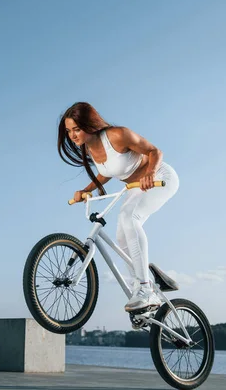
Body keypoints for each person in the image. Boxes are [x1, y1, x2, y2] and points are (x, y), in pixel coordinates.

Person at [57, 101, 180, 312]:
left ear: (90, 124)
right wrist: (87, 189)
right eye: (69, 131)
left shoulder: (117, 135)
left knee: (129, 219)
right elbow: (108, 170)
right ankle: (143, 283)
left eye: (76, 129)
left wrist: (150, 174)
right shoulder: (89, 147)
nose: (73, 135)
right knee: (122, 235)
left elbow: (154, 152)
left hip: (160, 178)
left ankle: (144, 288)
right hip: (135, 188)